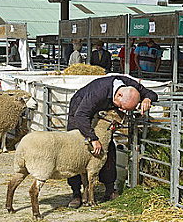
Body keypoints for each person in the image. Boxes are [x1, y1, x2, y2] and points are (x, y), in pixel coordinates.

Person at [66, 75, 158, 208]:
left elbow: (151, 94)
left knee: (106, 148)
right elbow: (81, 115)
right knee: (76, 150)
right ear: (119, 94)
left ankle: (109, 188)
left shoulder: (130, 86)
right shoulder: (98, 93)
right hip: (80, 110)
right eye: (120, 106)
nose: (121, 110)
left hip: (102, 115)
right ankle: (76, 193)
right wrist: (93, 137)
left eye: (124, 109)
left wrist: (147, 99)